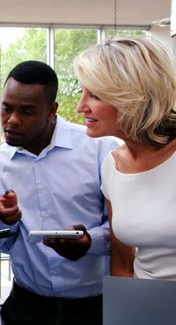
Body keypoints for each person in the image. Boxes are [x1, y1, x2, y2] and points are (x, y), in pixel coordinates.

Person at [0, 60, 119, 325]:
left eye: (26, 111)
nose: (12, 120)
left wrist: (89, 241)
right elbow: (4, 243)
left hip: (94, 310)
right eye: (6, 108)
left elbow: (124, 231)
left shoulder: (99, 148)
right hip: (26, 308)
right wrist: (8, 221)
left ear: (51, 110)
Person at [74, 36, 176, 281]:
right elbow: (122, 264)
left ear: (133, 96)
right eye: (83, 92)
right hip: (148, 310)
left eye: (95, 95)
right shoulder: (112, 166)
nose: (80, 106)